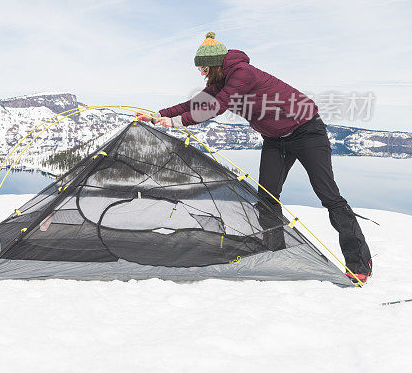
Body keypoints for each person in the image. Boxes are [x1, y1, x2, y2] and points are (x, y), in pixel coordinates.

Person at [136, 32, 372, 284]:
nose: (203, 74)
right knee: (267, 197)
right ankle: (276, 250)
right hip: (275, 140)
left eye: (204, 68)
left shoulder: (242, 74)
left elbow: (217, 106)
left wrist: (174, 122)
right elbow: (194, 103)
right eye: (200, 70)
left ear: (215, 64)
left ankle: (359, 264)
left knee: (328, 195)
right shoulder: (220, 81)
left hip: (306, 132)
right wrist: (156, 114)